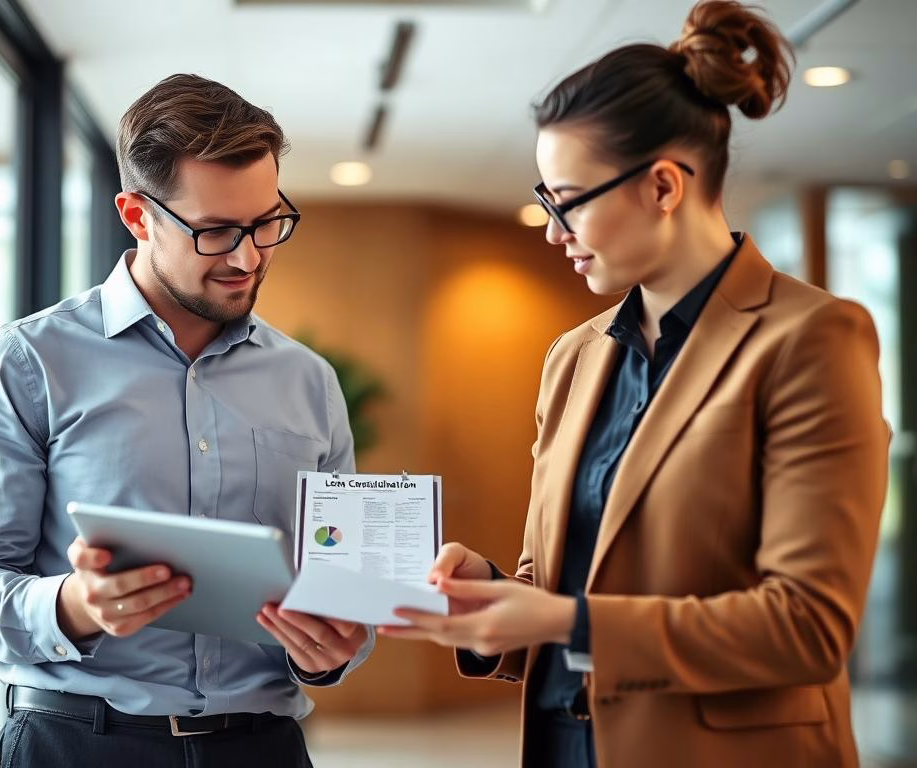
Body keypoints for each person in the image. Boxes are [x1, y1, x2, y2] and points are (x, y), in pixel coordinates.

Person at [382, 3, 891, 767]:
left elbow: (807, 628)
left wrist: (564, 622)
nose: (553, 229)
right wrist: (489, 592)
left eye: (568, 201)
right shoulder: (575, 356)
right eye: (544, 199)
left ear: (661, 187)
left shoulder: (812, 338)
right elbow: (554, 581)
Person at [0, 73, 372, 768]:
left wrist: (332, 649)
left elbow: (341, 586)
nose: (248, 257)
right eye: (216, 231)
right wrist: (73, 604)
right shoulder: (27, 363)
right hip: (73, 745)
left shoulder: (309, 382)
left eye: (267, 223)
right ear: (137, 216)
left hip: (263, 748)